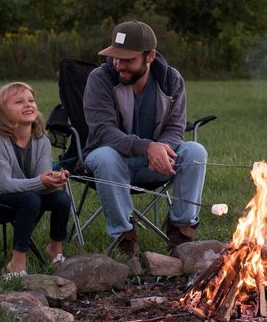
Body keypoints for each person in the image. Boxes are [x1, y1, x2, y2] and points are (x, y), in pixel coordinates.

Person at [83, 20, 207, 256]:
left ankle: (181, 233)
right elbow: (104, 132)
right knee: (105, 156)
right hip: (115, 165)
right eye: (116, 57)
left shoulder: (171, 80)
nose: (119, 65)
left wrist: (161, 150)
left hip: (157, 164)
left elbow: (175, 128)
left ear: (150, 56)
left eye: (128, 59)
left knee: (195, 151)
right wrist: (147, 147)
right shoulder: (100, 79)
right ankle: (125, 238)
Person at [0, 82, 71, 278]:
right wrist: (41, 181)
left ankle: (55, 250)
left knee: (61, 199)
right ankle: (16, 264)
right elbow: (5, 185)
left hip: (27, 195)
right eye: (19, 102)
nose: (28, 105)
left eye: (31, 100)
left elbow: (42, 184)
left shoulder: (41, 140)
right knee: (30, 199)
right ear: (2, 113)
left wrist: (53, 180)